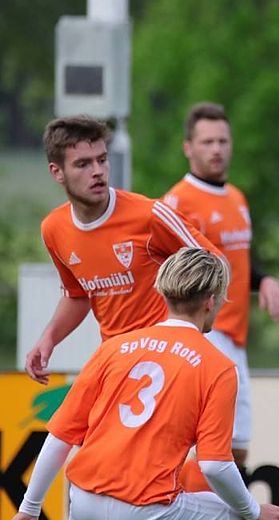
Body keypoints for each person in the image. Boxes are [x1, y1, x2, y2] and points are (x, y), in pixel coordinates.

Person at [5, 247, 279, 520]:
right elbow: (215, 465)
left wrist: (30, 509)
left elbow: (60, 437)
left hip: (84, 506)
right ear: (211, 301)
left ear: (164, 294)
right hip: (146, 513)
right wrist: (255, 513)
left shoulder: (114, 348)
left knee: (197, 489)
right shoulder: (218, 367)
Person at [26, 115, 220, 385]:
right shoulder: (54, 229)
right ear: (57, 172)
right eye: (83, 164)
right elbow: (78, 295)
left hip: (167, 362)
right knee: (67, 415)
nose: (97, 171)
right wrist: (48, 339)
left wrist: (199, 325)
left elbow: (215, 263)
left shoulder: (150, 215)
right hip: (115, 361)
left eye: (102, 160)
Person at [163, 102, 279, 468]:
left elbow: (234, 259)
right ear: (188, 148)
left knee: (237, 448)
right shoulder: (178, 203)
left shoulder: (236, 197)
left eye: (222, 141)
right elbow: (170, 275)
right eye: (207, 142)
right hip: (203, 334)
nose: (216, 149)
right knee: (209, 449)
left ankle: (213, 507)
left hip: (234, 336)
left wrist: (263, 280)